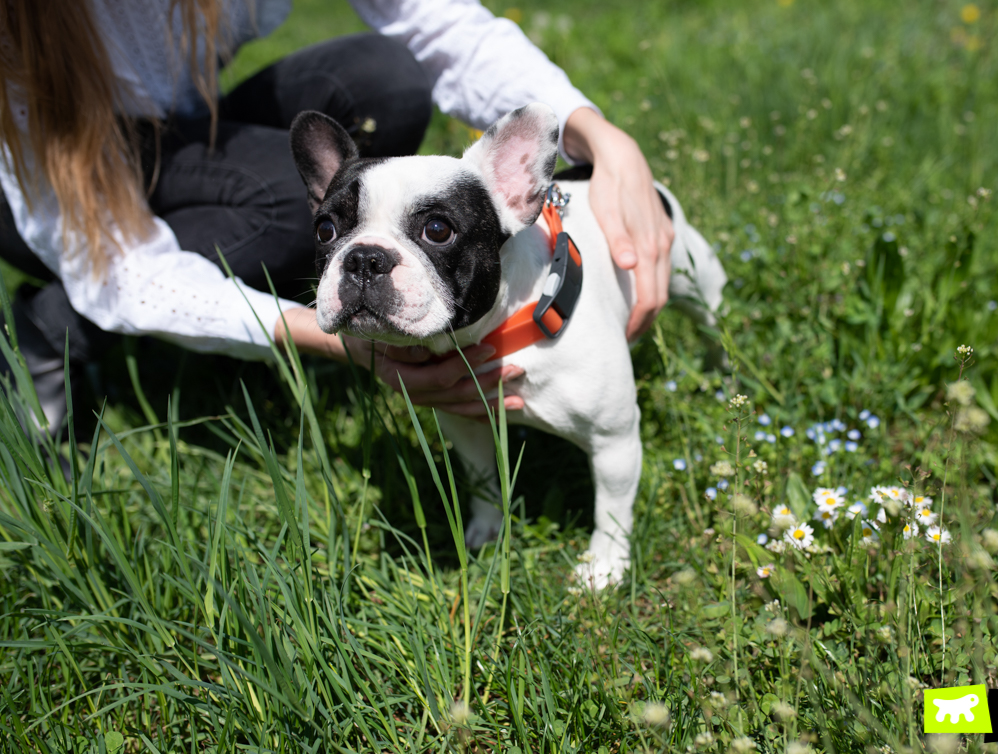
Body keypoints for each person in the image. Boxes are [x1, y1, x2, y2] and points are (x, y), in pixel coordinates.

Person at [0, 0, 674, 432]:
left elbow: (437, 24)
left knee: (384, 80)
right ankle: (56, 325)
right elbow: (118, 262)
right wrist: (334, 337)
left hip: (176, 123)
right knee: (281, 206)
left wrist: (598, 135)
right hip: (40, 181)